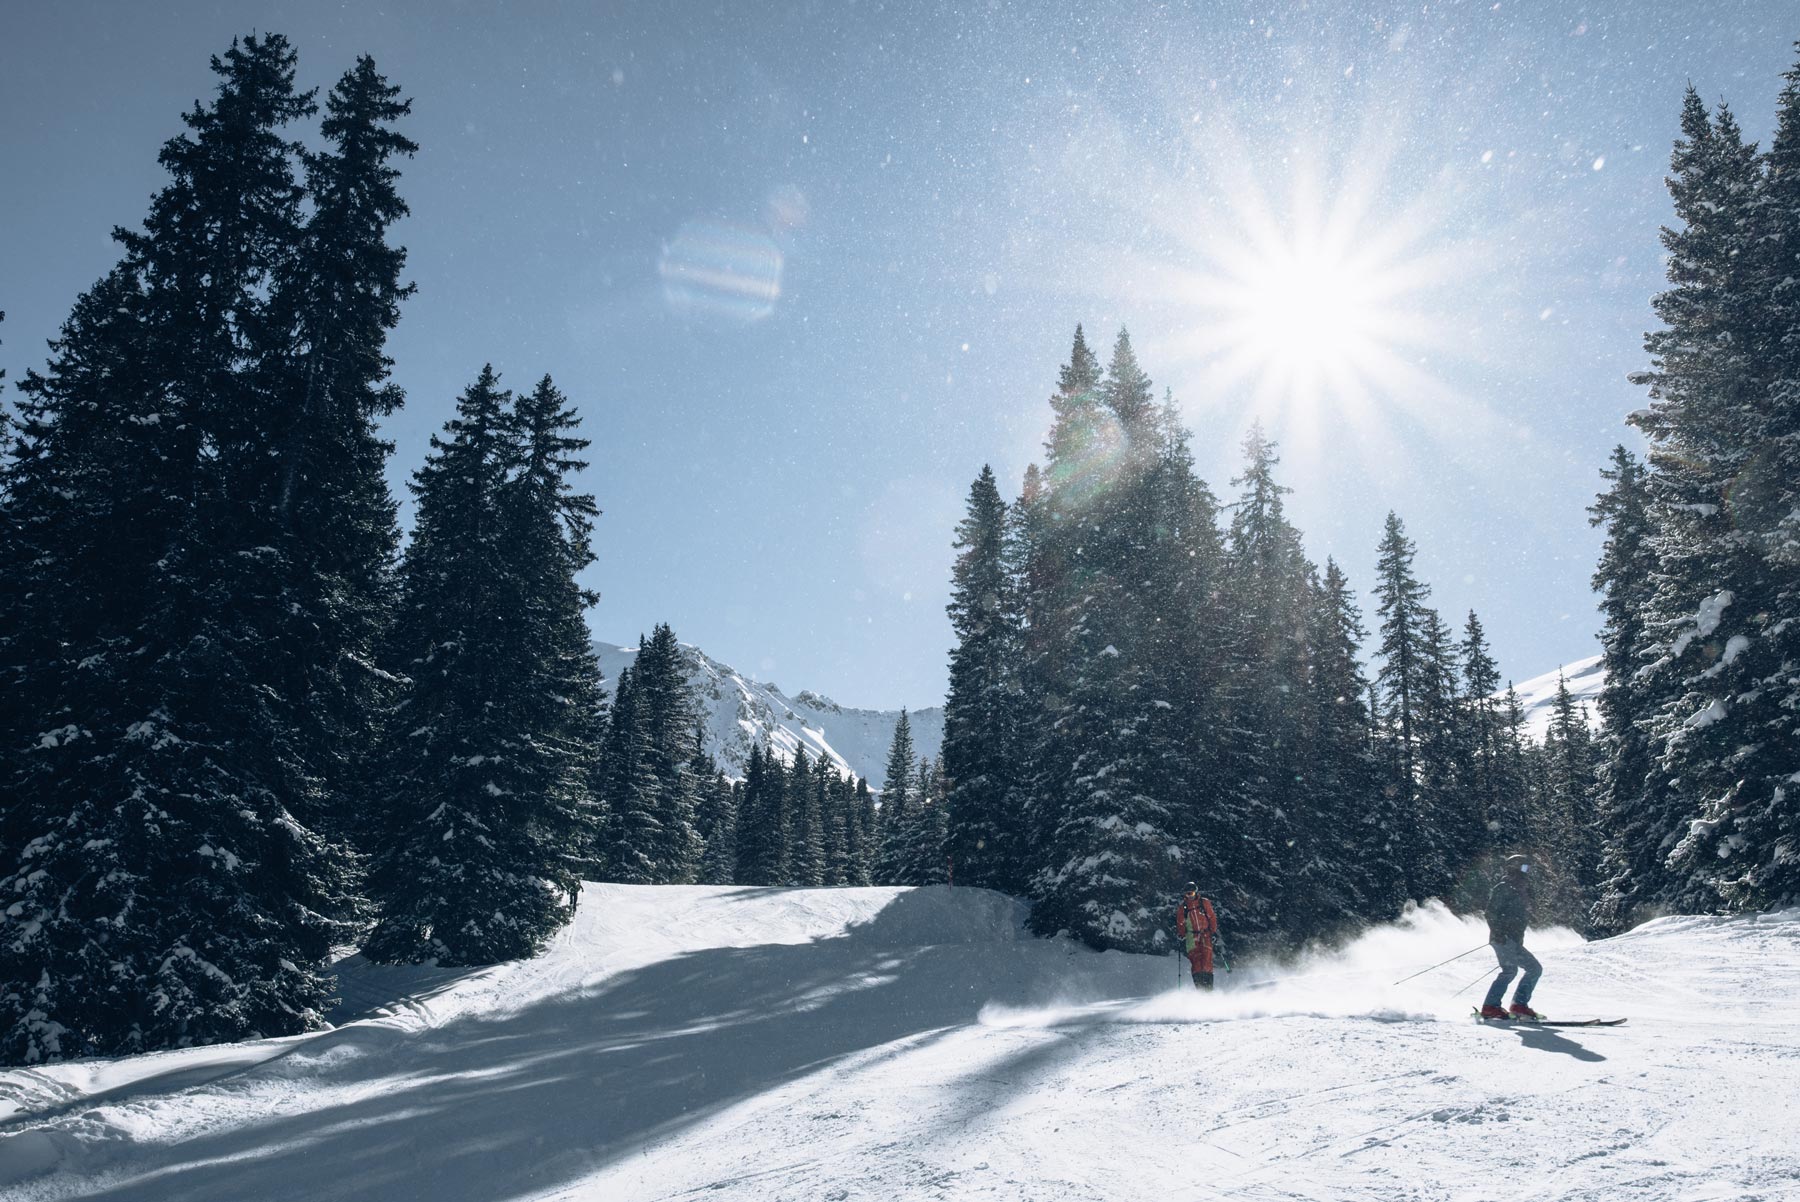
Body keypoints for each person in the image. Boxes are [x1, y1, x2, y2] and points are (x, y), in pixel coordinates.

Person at [1479, 855, 1543, 1019]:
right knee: (1509, 971)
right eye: (1524, 868)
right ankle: (1490, 1007)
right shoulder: (1504, 887)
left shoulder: (1521, 889)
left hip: (1513, 940)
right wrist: (1499, 932)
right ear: (1513, 867)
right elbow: (1491, 912)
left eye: (1528, 868)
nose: (1526, 872)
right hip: (1503, 938)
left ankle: (1519, 1006)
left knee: (1534, 969)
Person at [1175, 883, 1229, 991]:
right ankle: (1200, 988)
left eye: (1192, 893)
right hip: (1191, 937)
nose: (1190, 896)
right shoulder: (1183, 908)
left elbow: (1212, 918)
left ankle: (1208, 987)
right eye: (1187, 894)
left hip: (1205, 935)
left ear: (1196, 892)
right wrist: (1181, 934)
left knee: (1206, 960)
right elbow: (1180, 923)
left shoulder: (1204, 903)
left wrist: (1213, 932)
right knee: (1196, 962)